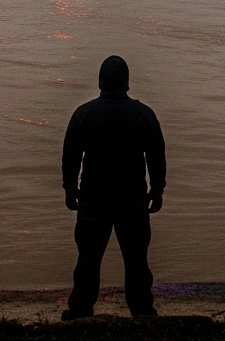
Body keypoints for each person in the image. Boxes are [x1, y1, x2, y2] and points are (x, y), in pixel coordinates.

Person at [60, 55, 167, 320]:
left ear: (100, 82)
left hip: (93, 199)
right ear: (127, 83)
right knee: (136, 260)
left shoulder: (83, 114)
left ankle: (80, 310)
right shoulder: (144, 114)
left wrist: (70, 187)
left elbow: (70, 156)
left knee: (88, 260)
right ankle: (142, 311)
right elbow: (156, 156)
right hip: (132, 199)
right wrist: (157, 189)